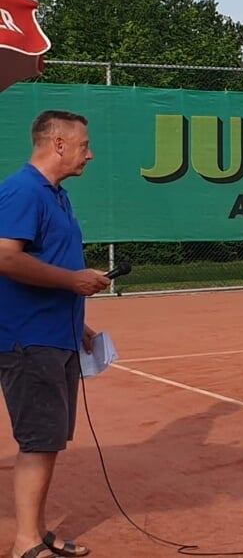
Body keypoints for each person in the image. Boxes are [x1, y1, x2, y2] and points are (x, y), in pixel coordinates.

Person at [0, 110, 112, 558]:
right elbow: (5, 258)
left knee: (47, 441)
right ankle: (26, 541)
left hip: (56, 333)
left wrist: (76, 317)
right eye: (84, 145)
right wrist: (72, 283)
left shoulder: (56, 195)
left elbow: (51, 264)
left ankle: (37, 530)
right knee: (38, 441)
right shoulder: (23, 190)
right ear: (59, 144)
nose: (91, 153)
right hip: (28, 339)